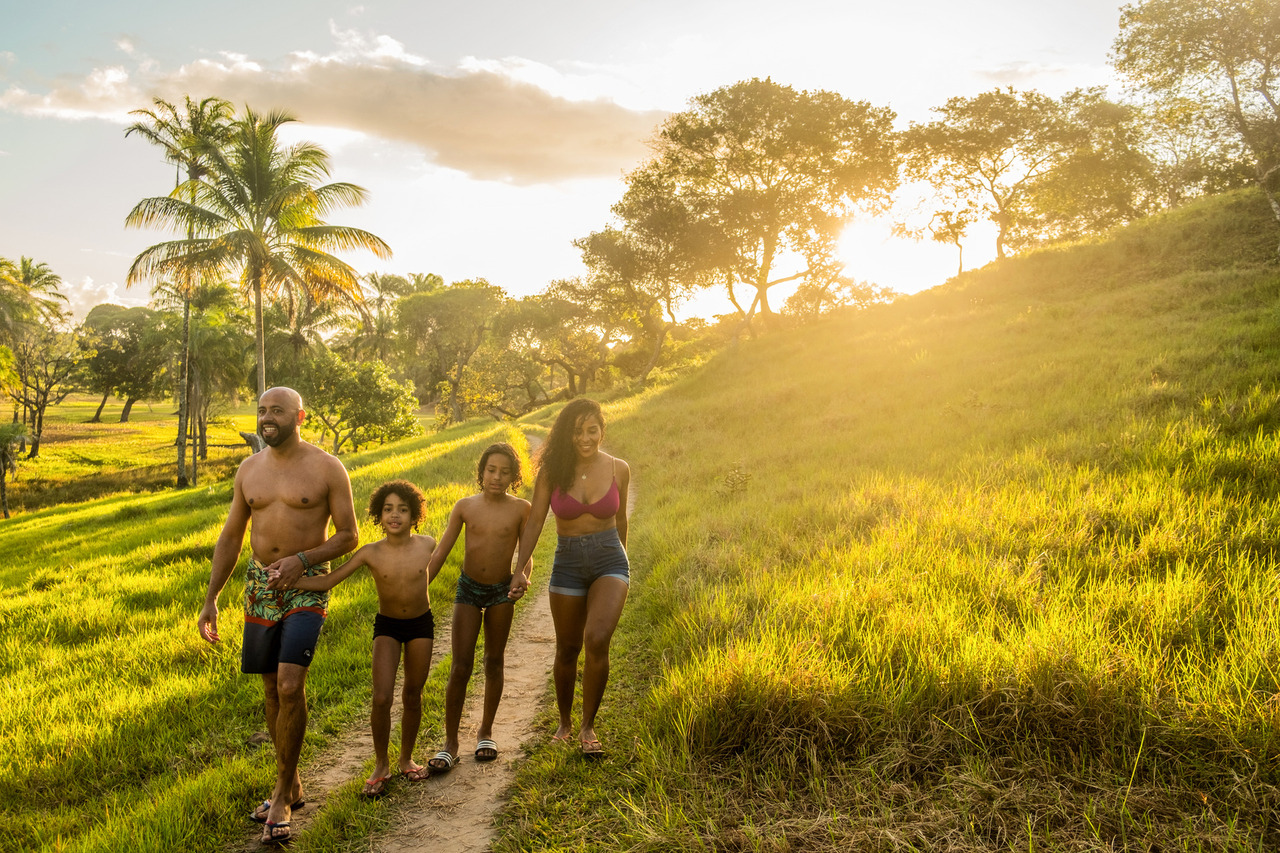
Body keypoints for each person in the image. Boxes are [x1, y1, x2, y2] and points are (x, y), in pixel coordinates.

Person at [197, 387, 359, 846]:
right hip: (260, 588)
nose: (267, 418)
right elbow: (230, 537)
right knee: (270, 686)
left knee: (291, 683)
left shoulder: (328, 468)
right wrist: (211, 598)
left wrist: (302, 561)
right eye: (262, 411)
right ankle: (293, 781)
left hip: (305, 586)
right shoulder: (249, 470)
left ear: (300, 416)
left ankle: (282, 794)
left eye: (277, 411)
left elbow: (349, 535)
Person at [274, 480, 437, 797]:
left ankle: (406, 759)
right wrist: (289, 582)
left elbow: (436, 570)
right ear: (379, 514)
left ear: (415, 515)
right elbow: (328, 581)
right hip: (387, 626)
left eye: (403, 510)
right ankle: (381, 764)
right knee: (381, 697)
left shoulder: (428, 545)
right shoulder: (369, 553)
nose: (395, 515)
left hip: (421, 625)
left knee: (413, 694)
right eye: (388, 509)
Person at [512, 399, 630, 758]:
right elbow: (534, 522)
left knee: (597, 639)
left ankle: (587, 725)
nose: (585, 437)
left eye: (591, 429)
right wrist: (519, 567)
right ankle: (564, 722)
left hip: (610, 558)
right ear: (567, 433)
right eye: (577, 431)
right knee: (567, 648)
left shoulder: (618, 469)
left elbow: (622, 519)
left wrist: (621, 561)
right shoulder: (553, 472)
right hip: (567, 561)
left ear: (601, 430)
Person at [425, 442, 532, 772]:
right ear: (481, 472)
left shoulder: (521, 509)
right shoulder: (465, 507)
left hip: (502, 591)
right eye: (491, 470)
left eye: (504, 472)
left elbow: (526, 556)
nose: (496, 477)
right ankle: (450, 743)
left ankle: (486, 732)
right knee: (460, 665)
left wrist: (522, 578)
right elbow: (441, 552)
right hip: (468, 590)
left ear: (514, 476)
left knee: (494, 660)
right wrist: (419, 588)